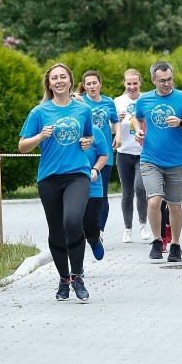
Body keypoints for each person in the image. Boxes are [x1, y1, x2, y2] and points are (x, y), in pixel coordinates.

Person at [19, 63, 96, 302]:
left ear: (71, 81)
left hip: (77, 175)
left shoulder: (82, 110)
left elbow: (89, 136)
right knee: (56, 229)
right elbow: (22, 146)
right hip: (49, 178)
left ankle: (78, 275)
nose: (59, 81)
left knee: (72, 220)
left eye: (63, 77)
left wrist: (87, 142)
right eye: (55, 78)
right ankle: (64, 279)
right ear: (49, 84)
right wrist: (40, 136)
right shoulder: (39, 112)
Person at [135, 61, 182, 262]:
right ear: (154, 80)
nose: (167, 84)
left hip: (176, 160)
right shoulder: (144, 100)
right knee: (154, 200)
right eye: (162, 81)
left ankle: (176, 245)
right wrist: (138, 129)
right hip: (150, 159)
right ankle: (156, 240)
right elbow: (137, 118)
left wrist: (181, 123)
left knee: (174, 205)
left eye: (170, 79)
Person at [78, 70, 121, 240]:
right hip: (85, 154)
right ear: (84, 86)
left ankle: (99, 230)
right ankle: (83, 227)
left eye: (94, 83)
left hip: (104, 154)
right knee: (83, 192)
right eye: (88, 83)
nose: (91, 86)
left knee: (101, 193)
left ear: (100, 84)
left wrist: (118, 135)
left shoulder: (109, 102)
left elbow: (115, 120)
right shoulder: (81, 102)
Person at [113, 69, 151, 243]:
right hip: (124, 153)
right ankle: (128, 228)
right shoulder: (118, 101)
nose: (132, 86)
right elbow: (112, 129)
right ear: (124, 83)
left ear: (140, 83)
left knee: (141, 189)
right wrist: (117, 121)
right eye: (129, 83)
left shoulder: (146, 99)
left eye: (135, 83)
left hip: (143, 152)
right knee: (127, 193)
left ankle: (143, 224)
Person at [82, 129, 110, 260]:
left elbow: (104, 154)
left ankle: (94, 239)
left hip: (92, 186)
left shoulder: (95, 131)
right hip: (68, 184)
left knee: (90, 224)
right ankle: (77, 267)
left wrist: (95, 169)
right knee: (73, 228)